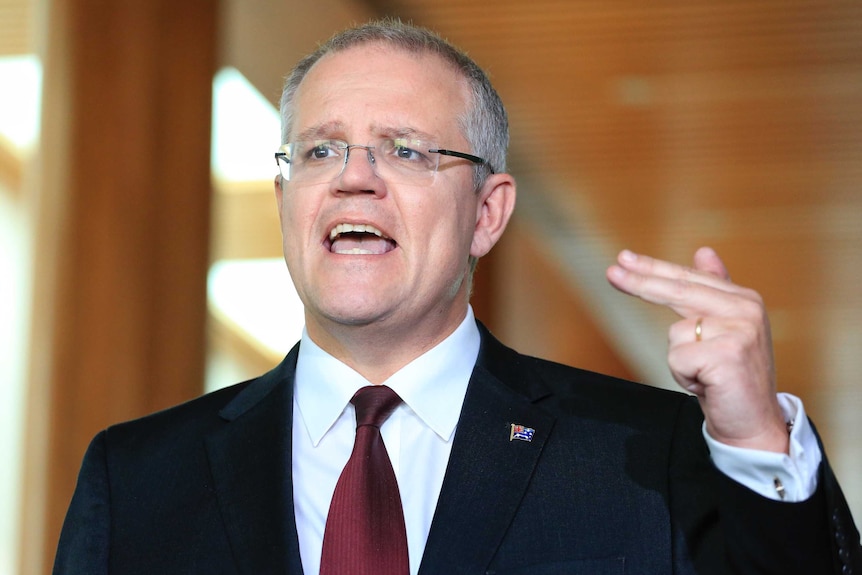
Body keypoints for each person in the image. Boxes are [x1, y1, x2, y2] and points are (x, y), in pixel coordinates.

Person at [54, 18, 860, 575]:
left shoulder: (651, 455)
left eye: (405, 150)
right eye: (321, 148)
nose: (354, 176)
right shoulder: (135, 480)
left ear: (487, 212)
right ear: (284, 195)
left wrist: (755, 433)